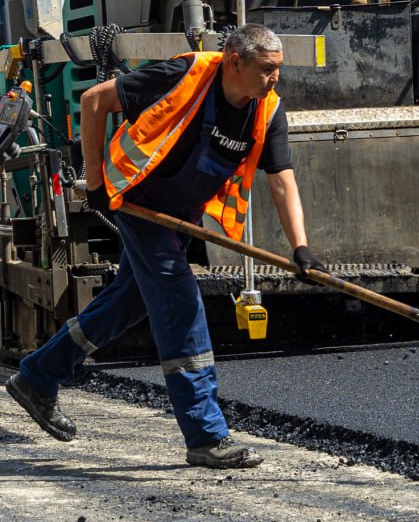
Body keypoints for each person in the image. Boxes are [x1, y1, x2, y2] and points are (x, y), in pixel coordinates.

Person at [5, 24, 326, 468]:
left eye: (278, 70)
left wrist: (301, 248)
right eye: (267, 69)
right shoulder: (186, 74)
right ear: (235, 61)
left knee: (127, 302)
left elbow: (282, 181)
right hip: (139, 200)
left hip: (179, 214)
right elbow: (94, 100)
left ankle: (38, 376)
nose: (275, 79)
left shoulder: (267, 110)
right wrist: (96, 182)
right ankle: (205, 433)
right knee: (179, 301)